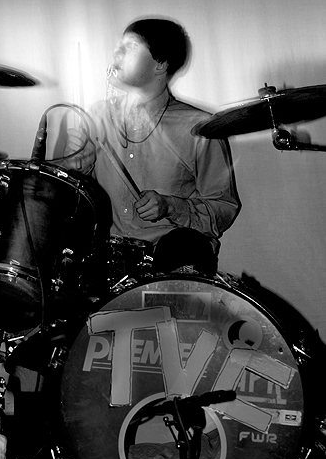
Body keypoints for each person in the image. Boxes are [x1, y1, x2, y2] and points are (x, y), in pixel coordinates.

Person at [60, 16, 241, 277]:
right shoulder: (97, 115)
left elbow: (223, 208)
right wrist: (74, 166)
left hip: (170, 263)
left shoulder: (200, 128)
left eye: (130, 47)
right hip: (100, 260)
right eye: (119, 46)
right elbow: (66, 201)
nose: (117, 53)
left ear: (160, 65)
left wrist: (171, 206)